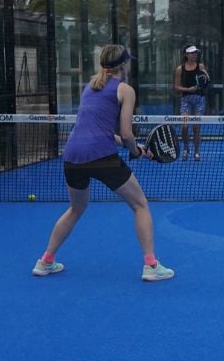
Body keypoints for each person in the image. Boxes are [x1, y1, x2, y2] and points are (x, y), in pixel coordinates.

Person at [32, 44, 174, 281]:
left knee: (75, 208)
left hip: (72, 156)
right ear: (123, 65)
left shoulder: (90, 87)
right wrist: (136, 151)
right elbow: (127, 134)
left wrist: (134, 148)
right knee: (140, 204)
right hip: (101, 156)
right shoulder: (125, 90)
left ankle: (45, 261)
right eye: (128, 61)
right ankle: (151, 265)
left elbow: (101, 132)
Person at [174, 44, 210, 161]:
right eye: (192, 53)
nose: (194, 55)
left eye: (195, 53)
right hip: (186, 100)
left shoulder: (201, 66)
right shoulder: (180, 69)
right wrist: (188, 90)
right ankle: (185, 148)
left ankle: (197, 151)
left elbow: (206, 81)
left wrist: (205, 81)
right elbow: (176, 87)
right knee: (184, 126)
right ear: (186, 54)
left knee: (196, 127)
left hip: (199, 99)